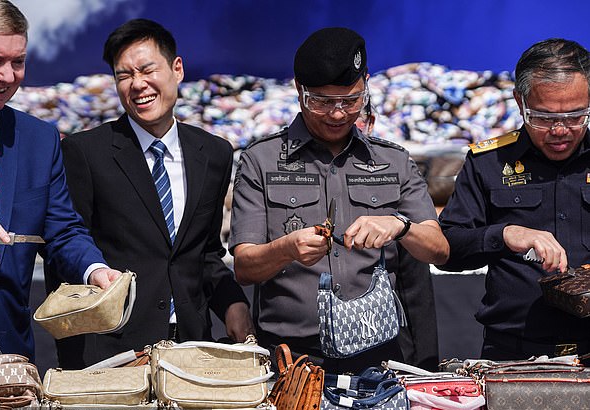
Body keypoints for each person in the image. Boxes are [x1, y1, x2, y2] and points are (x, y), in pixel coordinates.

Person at [229, 27, 449, 372]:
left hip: (379, 358)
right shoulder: (262, 160)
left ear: (366, 86)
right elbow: (244, 267)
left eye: (351, 101)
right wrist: (286, 249)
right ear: (299, 91)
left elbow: (439, 248)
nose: (337, 114)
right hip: (293, 359)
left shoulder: (392, 161)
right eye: (322, 102)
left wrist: (400, 226)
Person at [45, 18, 253, 368]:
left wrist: (233, 303)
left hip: (190, 347)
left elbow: (204, 253)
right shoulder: (85, 152)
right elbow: (64, 242)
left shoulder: (214, 153)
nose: (137, 84)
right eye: (124, 76)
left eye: (146, 70)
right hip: (112, 351)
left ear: (177, 69)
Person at [0, 0, 120, 360]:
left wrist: (96, 271)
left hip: (10, 354)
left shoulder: (40, 139)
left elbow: (61, 230)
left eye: (18, 62)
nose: (8, 75)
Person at [439, 38, 590, 360]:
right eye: (544, 118)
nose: (560, 130)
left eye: (576, 116)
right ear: (520, 102)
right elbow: (447, 249)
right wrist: (504, 234)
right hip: (514, 351)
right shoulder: (488, 162)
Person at [356, 99, 439, 370]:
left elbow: (416, 290)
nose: (340, 119)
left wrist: (423, 371)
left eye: (356, 116)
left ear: (370, 123)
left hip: (387, 337)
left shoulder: (393, 168)